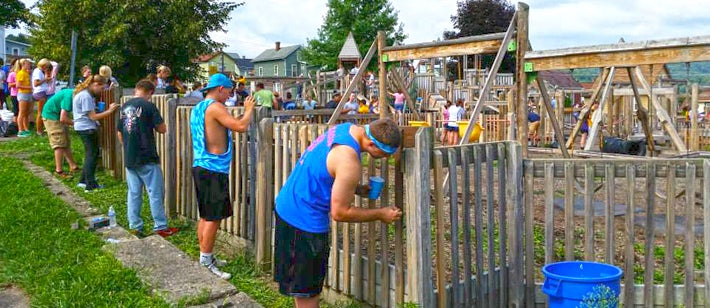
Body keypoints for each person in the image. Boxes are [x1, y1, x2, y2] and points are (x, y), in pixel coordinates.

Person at [274, 118, 403, 308]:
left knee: (301, 287)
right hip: (303, 222)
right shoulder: (349, 161)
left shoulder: (345, 129)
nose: (385, 159)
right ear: (370, 144)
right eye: (383, 154)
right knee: (308, 293)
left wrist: (356, 189)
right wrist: (380, 214)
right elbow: (340, 213)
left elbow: (327, 169)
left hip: (288, 205)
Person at [190, 73, 256, 279]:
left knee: (205, 215)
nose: (230, 94)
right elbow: (240, 127)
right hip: (213, 169)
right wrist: (249, 110)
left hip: (201, 165)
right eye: (229, 90)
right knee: (213, 218)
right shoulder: (216, 107)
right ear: (220, 88)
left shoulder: (198, 107)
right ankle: (206, 261)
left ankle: (205, 255)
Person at [117, 80, 178, 238]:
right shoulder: (149, 106)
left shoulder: (125, 107)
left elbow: (119, 133)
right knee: (155, 192)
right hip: (147, 156)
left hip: (130, 157)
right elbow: (162, 129)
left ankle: (135, 226)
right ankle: (160, 226)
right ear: (151, 92)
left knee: (134, 192)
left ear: (137, 89)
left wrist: (129, 147)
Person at [73, 75, 119, 192]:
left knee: (90, 154)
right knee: (92, 155)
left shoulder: (84, 94)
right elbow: (93, 117)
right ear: (95, 84)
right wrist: (109, 111)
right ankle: (91, 185)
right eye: (102, 88)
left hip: (83, 127)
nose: (102, 91)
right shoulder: (85, 96)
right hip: (87, 128)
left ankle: (83, 181)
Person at [41, 88, 80, 178]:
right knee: (59, 144)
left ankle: (73, 166)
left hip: (57, 115)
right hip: (51, 117)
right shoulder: (69, 97)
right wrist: (77, 124)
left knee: (65, 141)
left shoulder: (73, 93)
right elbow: (63, 118)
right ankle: (59, 171)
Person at [32, 59, 53, 135]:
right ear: (43, 65)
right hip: (40, 92)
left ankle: (41, 129)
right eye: (46, 67)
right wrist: (45, 79)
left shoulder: (40, 71)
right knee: (40, 112)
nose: (47, 69)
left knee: (42, 112)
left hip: (42, 92)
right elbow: (36, 83)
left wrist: (47, 79)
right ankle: (39, 131)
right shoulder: (38, 71)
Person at [16, 59, 34, 137]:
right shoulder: (20, 73)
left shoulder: (26, 73)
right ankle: (20, 130)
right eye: (28, 64)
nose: (29, 65)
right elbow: (18, 85)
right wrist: (30, 87)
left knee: (27, 112)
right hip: (23, 94)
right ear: (23, 64)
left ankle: (26, 129)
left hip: (29, 93)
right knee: (22, 112)